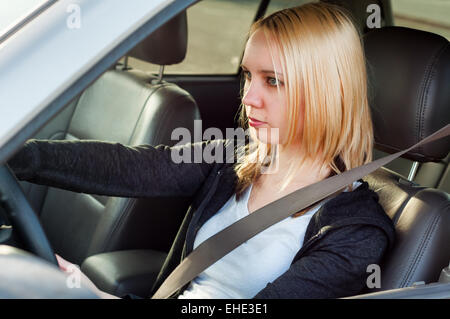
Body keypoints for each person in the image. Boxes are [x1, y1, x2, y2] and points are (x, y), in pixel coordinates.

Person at [8, 2, 395, 299]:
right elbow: (132, 166)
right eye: (247, 75)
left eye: (273, 81)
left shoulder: (354, 231)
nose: (249, 97)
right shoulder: (234, 157)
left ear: (327, 94)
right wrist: (18, 155)